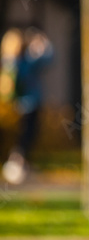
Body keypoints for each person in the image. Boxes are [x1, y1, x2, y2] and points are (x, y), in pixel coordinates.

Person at [1, 26, 54, 185]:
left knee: (23, 135)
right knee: (28, 135)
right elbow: (49, 57)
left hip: (16, 104)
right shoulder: (26, 61)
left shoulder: (9, 60)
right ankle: (17, 163)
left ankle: (19, 164)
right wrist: (42, 41)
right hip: (31, 103)